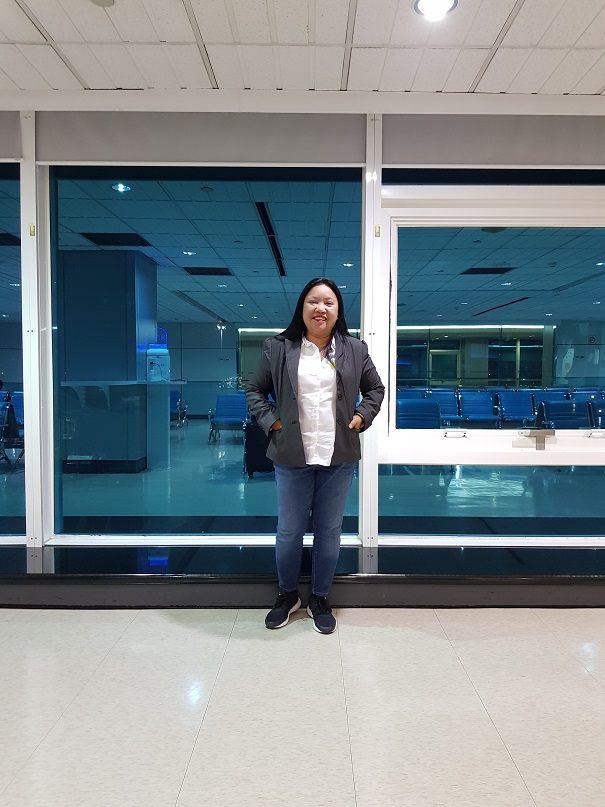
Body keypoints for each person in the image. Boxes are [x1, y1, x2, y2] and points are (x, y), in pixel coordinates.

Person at [246, 277, 384, 634]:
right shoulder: (278, 348)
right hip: (292, 453)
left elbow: (375, 389)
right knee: (290, 530)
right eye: (313, 301)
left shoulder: (355, 349)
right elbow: (255, 389)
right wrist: (273, 422)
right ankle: (287, 595)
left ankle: (320, 597)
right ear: (302, 308)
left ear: (338, 310)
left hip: (338, 455)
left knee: (329, 530)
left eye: (328, 302)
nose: (320, 308)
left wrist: (360, 417)